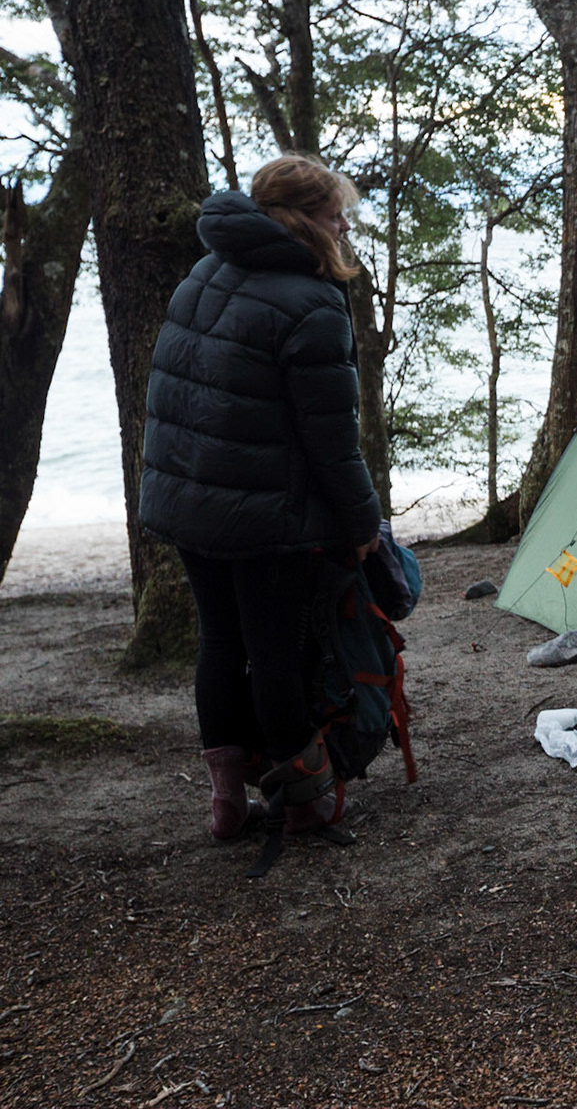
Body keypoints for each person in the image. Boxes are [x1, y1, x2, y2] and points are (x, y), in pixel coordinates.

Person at [140, 156, 382, 839]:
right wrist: (363, 522)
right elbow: (331, 440)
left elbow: (174, 396)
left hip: (188, 504)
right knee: (275, 650)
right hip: (264, 516)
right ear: (302, 219)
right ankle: (304, 801)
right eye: (335, 214)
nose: (344, 225)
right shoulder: (312, 302)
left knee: (220, 642)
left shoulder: (205, 273)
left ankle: (226, 804)